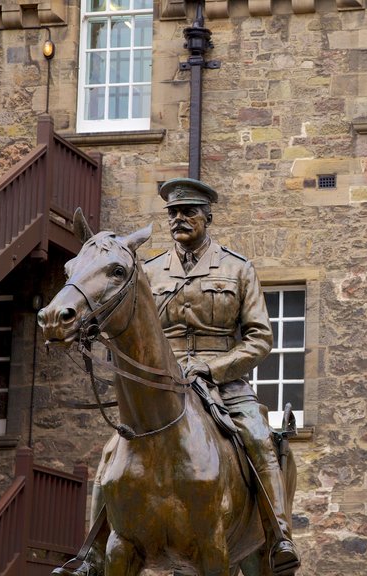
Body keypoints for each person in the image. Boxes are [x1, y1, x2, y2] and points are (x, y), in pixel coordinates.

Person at [143, 177, 300, 575]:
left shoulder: (237, 268)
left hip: (224, 384)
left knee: (260, 439)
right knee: (118, 450)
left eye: (188, 212)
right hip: (166, 386)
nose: (179, 219)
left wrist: (212, 368)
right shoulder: (149, 271)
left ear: (206, 217)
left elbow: (260, 338)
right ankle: (94, 549)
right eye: (173, 213)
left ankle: (278, 535)